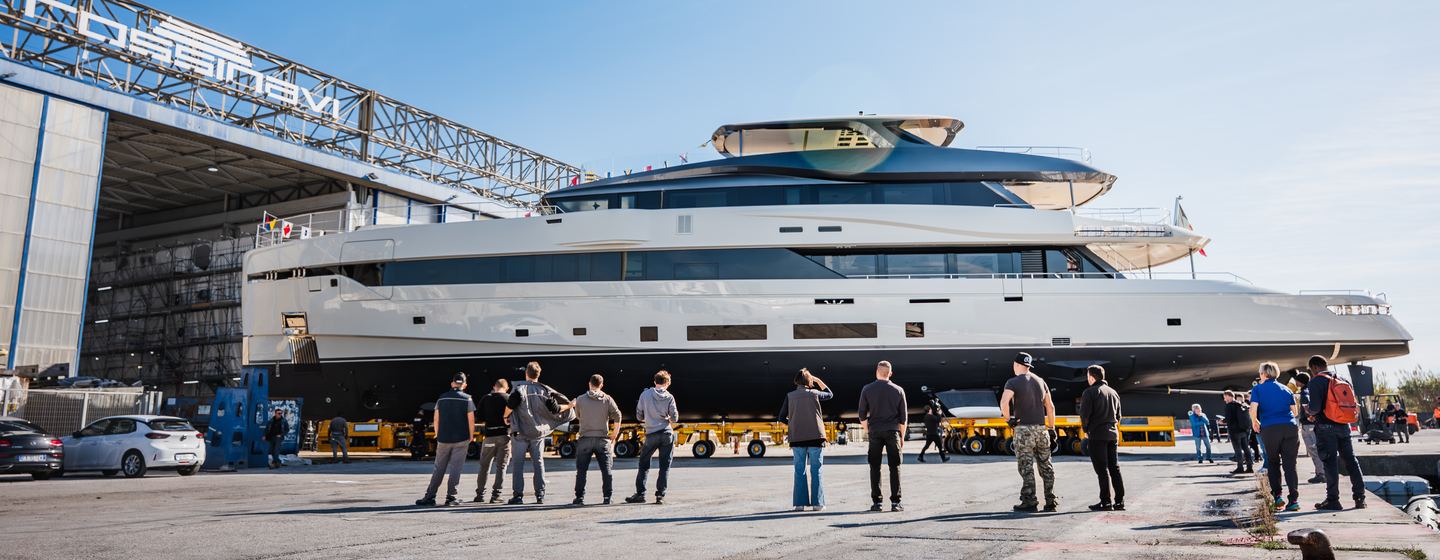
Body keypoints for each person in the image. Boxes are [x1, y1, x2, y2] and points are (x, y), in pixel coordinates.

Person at [1304, 355, 1366, 510]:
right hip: (1344, 425)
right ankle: (1360, 498)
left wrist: (1308, 411)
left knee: (1330, 463)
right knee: (1351, 461)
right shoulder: (1343, 379)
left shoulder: (1316, 381)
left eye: (1311, 370)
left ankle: (1333, 500)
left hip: (1325, 427)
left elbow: (1315, 408)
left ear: (1315, 367)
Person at [1001, 352, 1058, 513]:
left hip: (1024, 430)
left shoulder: (1013, 382)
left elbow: (1004, 402)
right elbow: (1050, 406)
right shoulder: (1040, 381)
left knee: (1026, 466)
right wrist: (1052, 428)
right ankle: (1050, 501)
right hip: (1042, 429)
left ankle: (1030, 500)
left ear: (1016, 364)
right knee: (1046, 465)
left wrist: (1008, 419)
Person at [507, 361, 570, 505]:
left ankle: (518, 496)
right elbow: (556, 409)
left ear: (526, 374)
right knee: (539, 463)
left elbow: (510, 406)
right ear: (538, 374)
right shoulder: (544, 391)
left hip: (520, 434)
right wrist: (570, 405)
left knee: (518, 465)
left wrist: (506, 417)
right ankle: (540, 495)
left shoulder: (519, 389)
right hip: (538, 434)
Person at [416, 373, 476, 507]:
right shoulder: (467, 399)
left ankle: (430, 496)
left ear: (452, 383)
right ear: (464, 385)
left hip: (443, 438)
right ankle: (451, 497)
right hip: (461, 439)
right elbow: (471, 420)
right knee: (456, 468)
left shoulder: (441, 398)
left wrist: (437, 433)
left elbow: (436, 418)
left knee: (439, 468)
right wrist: (471, 435)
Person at [779, 368, 833, 511]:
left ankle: (799, 504)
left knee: (799, 470)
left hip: (797, 439)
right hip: (816, 438)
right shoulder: (815, 394)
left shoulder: (790, 396)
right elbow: (830, 394)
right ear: (809, 381)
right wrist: (818, 380)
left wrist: (793, 423)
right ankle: (818, 504)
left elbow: (781, 417)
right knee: (817, 470)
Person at [1250, 362, 1300, 512]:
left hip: (1270, 428)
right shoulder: (1286, 389)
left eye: (1260, 373)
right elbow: (1295, 412)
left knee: (1273, 462)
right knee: (1290, 465)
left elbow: (1253, 409)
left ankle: (1278, 497)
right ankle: (1294, 500)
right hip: (1290, 428)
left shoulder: (1258, 389)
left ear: (1264, 374)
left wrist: (1255, 421)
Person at [858, 361, 908, 512]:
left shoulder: (867, 389)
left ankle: (877, 503)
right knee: (895, 467)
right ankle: (896, 503)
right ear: (890, 373)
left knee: (875, 467)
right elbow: (903, 419)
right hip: (893, 432)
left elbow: (861, 415)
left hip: (875, 432)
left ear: (876, 372)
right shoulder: (898, 390)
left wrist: (869, 430)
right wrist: (902, 437)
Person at [627, 370, 679, 505]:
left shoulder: (645, 395)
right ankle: (660, 495)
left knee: (644, 464)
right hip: (666, 433)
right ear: (667, 383)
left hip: (651, 434)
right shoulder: (669, 397)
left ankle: (640, 494)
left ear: (655, 381)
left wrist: (647, 418)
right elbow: (675, 417)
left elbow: (639, 415)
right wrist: (668, 418)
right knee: (664, 466)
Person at [1079, 365, 1124, 511]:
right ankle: (1119, 501)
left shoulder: (1090, 392)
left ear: (1092, 377)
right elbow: (1119, 417)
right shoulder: (1113, 392)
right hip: (1112, 434)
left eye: (1088, 376)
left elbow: (1084, 415)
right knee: (1114, 468)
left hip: (1097, 435)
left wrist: (1086, 430)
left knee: (1101, 469)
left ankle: (1105, 501)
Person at [572, 373, 622, 506]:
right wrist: (614, 433)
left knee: (581, 471)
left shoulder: (580, 399)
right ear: (601, 385)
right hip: (602, 440)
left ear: (589, 383)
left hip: (585, 439)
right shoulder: (607, 399)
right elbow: (617, 415)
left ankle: (579, 498)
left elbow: (578, 415)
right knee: (606, 471)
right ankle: (607, 497)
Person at [475, 378, 511, 504]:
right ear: (506, 388)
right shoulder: (509, 399)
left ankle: (480, 495)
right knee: (501, 467)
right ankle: (496, 496)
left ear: (494, 387)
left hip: (489, 436)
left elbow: (479, 417)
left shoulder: (486, 398)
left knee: (484, 466)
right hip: (504, 437)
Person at [1293, 373, 1325, 483]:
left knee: (1313, 449)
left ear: (1301, 381)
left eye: (1296, 380)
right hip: (1313, 424)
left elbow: (1306, 404)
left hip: (1308, 425)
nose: (1295, 383)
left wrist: (1309, 415)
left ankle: (1321, 473)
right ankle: (1321, 472)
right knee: (1316, 449)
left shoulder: (1304, 392)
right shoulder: (1312, 389)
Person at [1222, 391, 1254, 474]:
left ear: (1228, 396)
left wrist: (1222, 421)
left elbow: (1229, 419)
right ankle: (1250, 467)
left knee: (1238, 450)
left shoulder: (1229, 406)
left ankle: (1240, 467)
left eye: (1224, 397)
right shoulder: (1240, 404)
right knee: (1246, 449)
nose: (1224, 399)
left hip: (1234, 431)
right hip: (1243, 430)